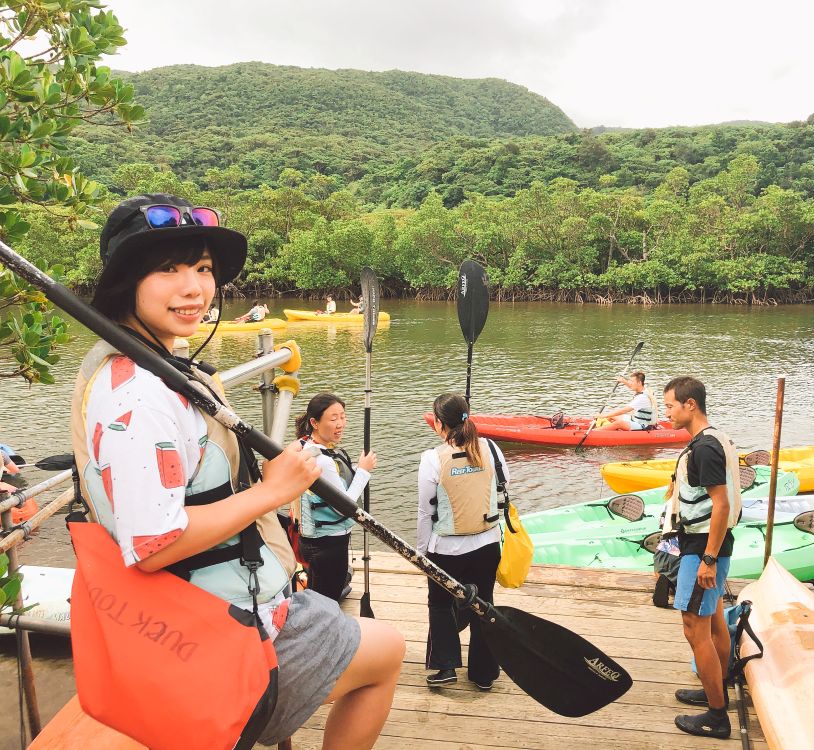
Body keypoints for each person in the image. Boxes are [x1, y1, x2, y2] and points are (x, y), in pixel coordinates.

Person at [72, 193, 404, 748]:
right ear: (126, 280)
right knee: (387, 651)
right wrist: (273, 491)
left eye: (203, 268)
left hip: (225, 606)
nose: (193, 288)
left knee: (363, 635)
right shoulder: (137, 394)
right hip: (208, 637)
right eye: (167, 268)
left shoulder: (163, 369)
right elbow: (153, 544)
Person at [660, 376, 742, 739]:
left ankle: (717, 716)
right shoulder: (715, 439)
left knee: (695, 626)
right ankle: (716, 690)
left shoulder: (705, 449)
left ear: (689, 404)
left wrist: (708, 560)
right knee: (715, 623)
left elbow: (721, 505)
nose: (667, 413)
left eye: (670, 406)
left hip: (703, 547)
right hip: (708, 544)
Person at [418, 393, 505, 691]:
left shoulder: (432, 458)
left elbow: (424, 512)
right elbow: (501, 489)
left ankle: (445, 667)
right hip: (488, 544)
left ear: (438, 423)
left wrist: (421, 553)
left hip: (447, 550)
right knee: (484, 603)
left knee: (441, 604)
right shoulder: (491, 448)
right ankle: (484, 674)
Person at [294, 393, 376, 602]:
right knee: (326, 604)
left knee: (318, 596)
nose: (340, 424)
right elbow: (344, 506)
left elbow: (334, 484)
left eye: (342, 416)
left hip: (318, 541)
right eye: (333, 419)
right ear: (314, 422)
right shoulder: (322, 459)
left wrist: (357, 469)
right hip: (328, 543)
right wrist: (364, 472)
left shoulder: (308, 446)